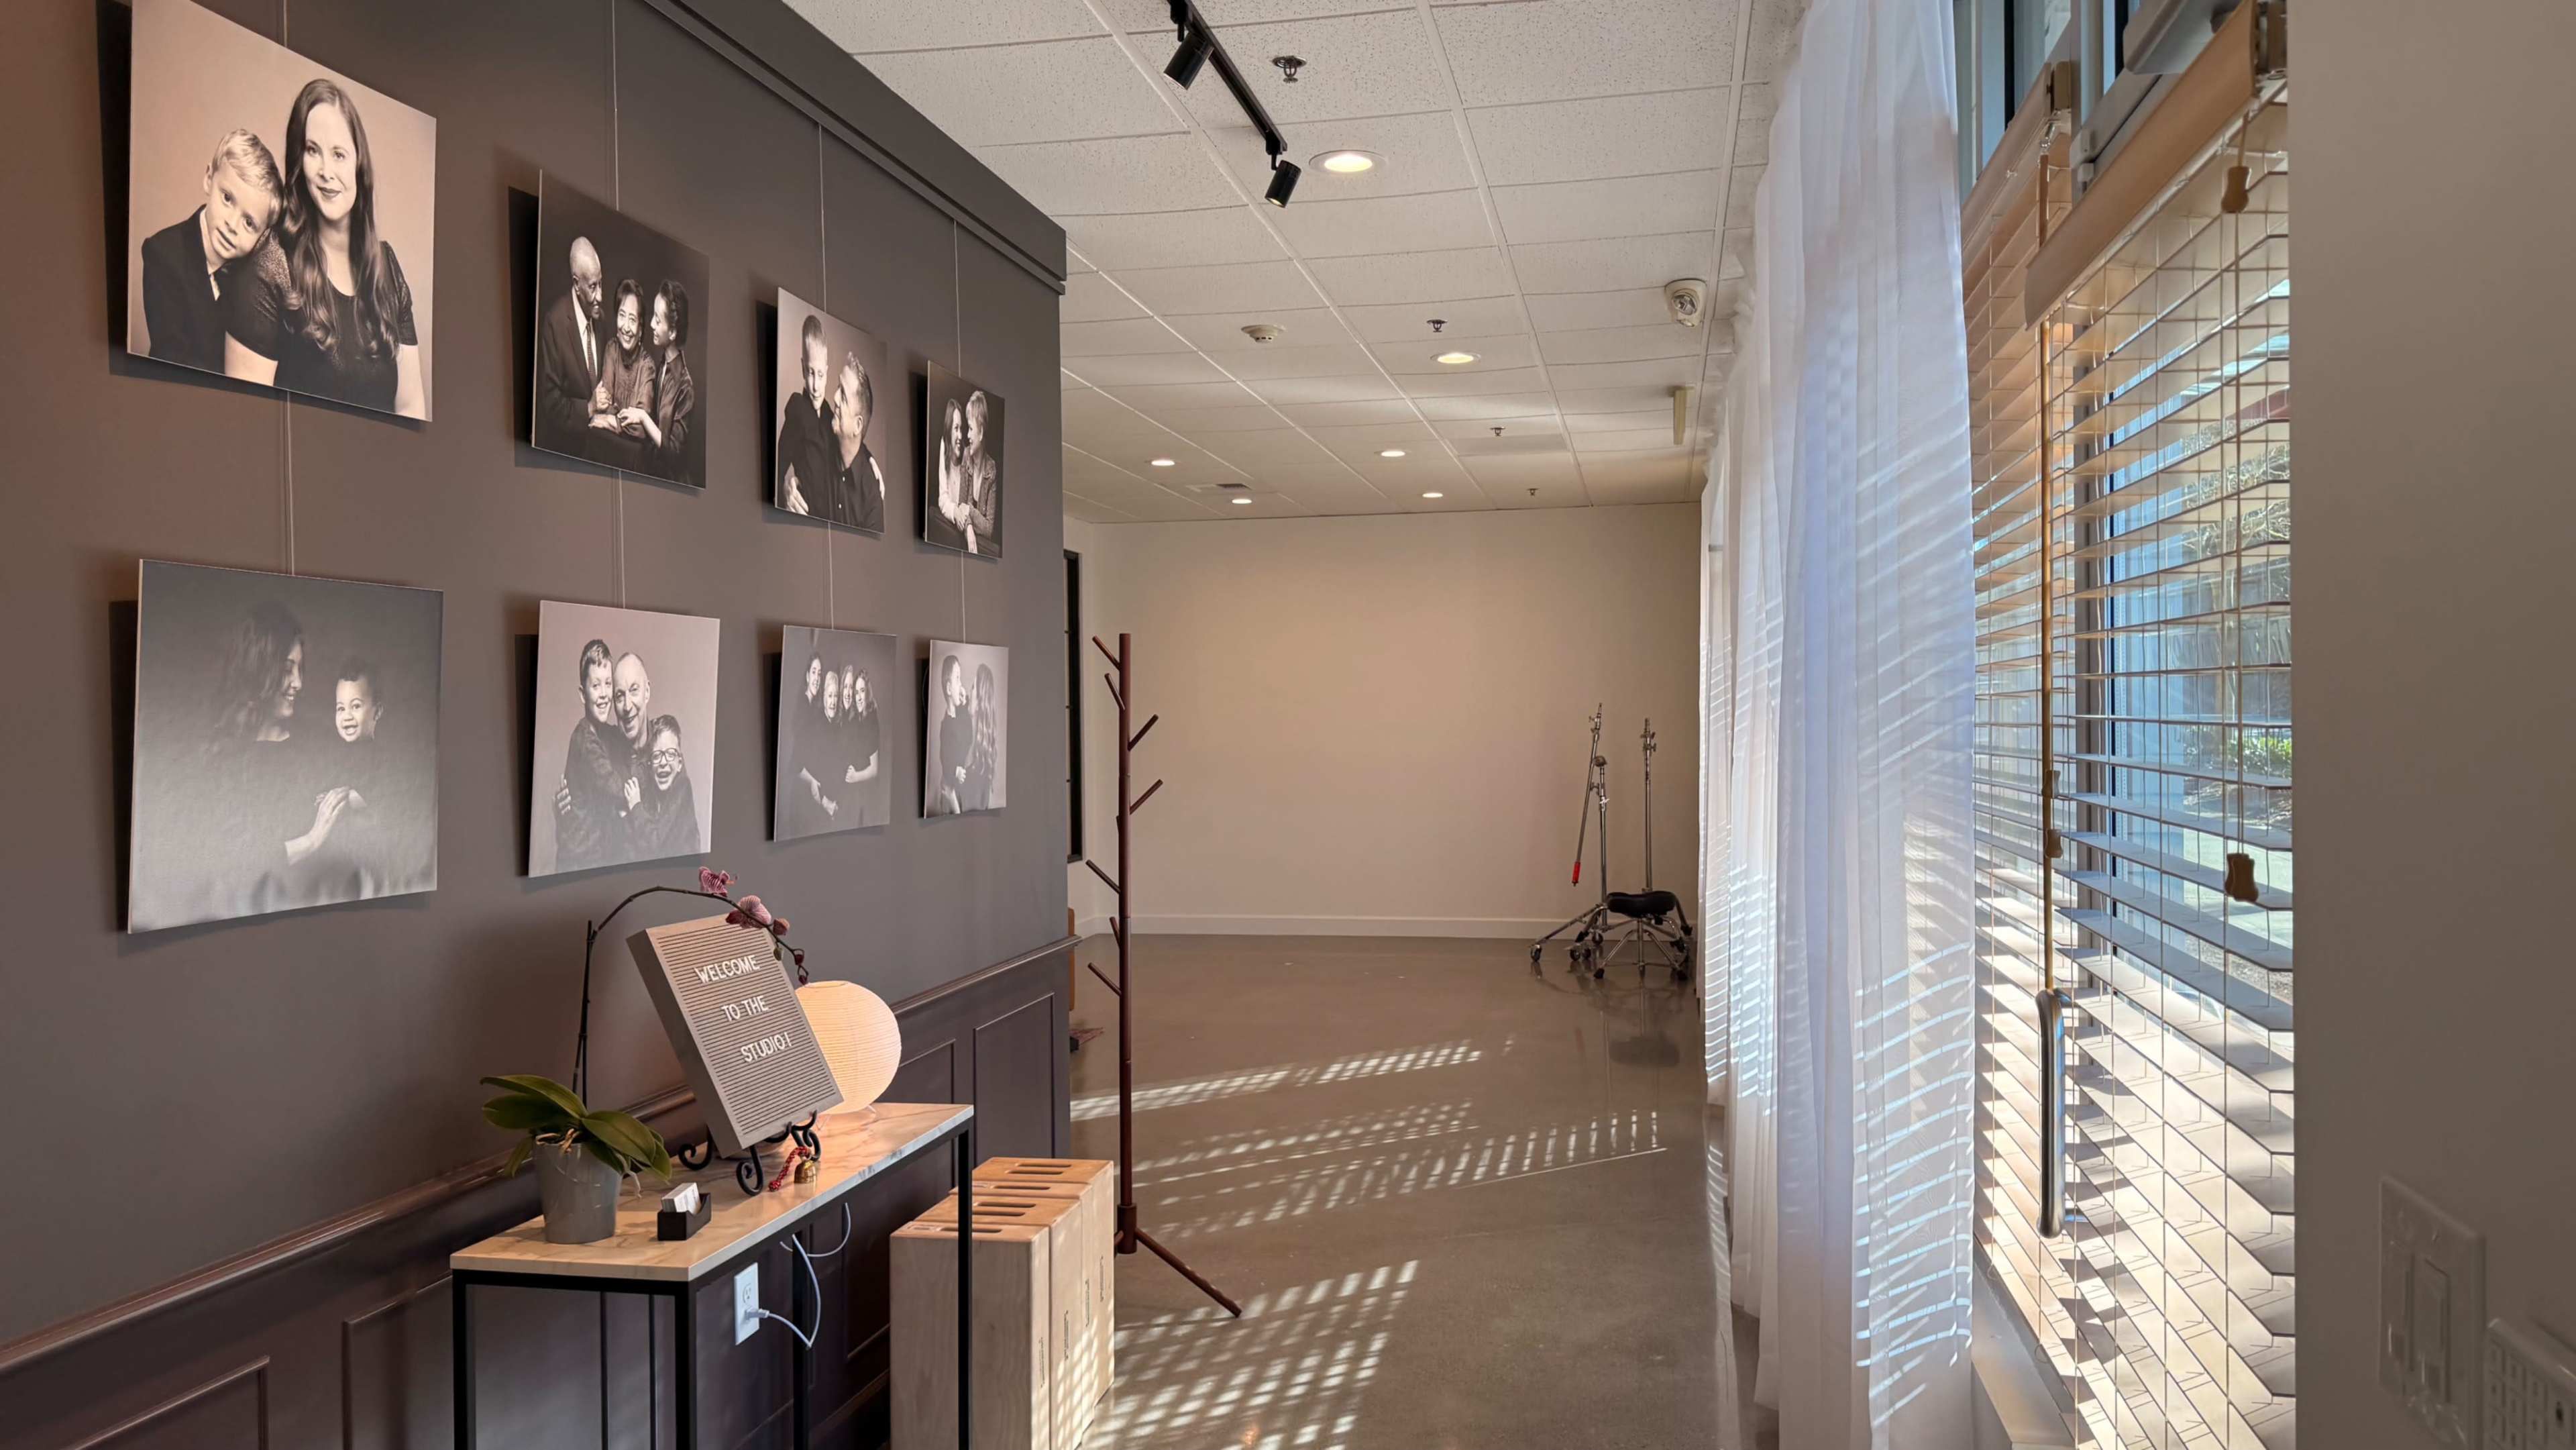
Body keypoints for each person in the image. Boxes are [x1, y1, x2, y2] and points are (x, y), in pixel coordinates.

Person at [224, 79, 422, 416]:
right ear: (299, 160)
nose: (326, 172)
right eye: (313, 151)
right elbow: (245, 421)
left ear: (359, 165)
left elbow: (411, 407)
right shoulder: (270, 263)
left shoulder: (387, 266)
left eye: (339, 155)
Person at [140, 130, 284, 372]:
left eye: (249, 223)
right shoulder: (163, 255)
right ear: (209, 178)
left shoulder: (255, 274)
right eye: (227, 198)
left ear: (264, 234)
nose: (232, 224)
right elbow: (173, 358)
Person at [553, 638, 633, 872]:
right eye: (595, 685)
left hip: (600, 858)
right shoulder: (584, 739)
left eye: (608, 684)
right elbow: (615, 788)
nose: (603, 694)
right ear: (582, 694)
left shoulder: (610, 735)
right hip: (578, 863)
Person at [619, 280, 694, 484]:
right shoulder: (661, 367)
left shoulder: (685, 386)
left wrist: (642, 417)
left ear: (673, 332)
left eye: (658, 320)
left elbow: (673, 453)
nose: (651, 324)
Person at [537, 236, 604, 443]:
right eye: (593, 287)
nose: (600, 296)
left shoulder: (600, 318)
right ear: (576, 284)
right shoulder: (554, 324)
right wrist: (589, 408)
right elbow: (551, 404)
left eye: (601, 283)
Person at [776, 315, 837, 519]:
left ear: (827, 373)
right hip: (807, 519)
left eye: (820, 375)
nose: (816, 386)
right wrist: (785, 484)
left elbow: (853, 446)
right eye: (810, 373)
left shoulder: (831, 413)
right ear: (803, 368)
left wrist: (871, 461)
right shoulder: (797, 408)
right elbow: (779, 464)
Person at [589, 280, 655, 466]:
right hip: (608, 445)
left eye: (633, 320)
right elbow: (604, 404)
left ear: (641, 329)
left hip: (634, 457)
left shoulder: (647, 367)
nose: (626, 327)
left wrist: (610, 421)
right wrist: (615, 416)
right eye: (622, 315)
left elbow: (642, 427)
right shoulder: (612, 349)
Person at [629, 715, 700, 859]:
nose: (663, 762)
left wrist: (636, 807)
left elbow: (656, 844)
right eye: (656, 756)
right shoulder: (653, 793)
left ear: (680, 763)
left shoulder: (682, 788)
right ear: (650, 765)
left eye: (670, 754)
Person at [829, 352, 885, 532]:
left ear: (858, 425)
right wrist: (786, 485)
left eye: (843, 396)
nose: (835, 397)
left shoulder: (872, 500)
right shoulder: (821, 430)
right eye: (838, 387)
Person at [961, 390, 1000, 556]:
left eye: (971, 429)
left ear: (982, 432)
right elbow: (959, 506)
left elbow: (989, 529)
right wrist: (969, 528)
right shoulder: (965, 456)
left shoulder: (991, 469)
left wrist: (969, 510)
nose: (967, 435)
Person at [929, 398, 969, 550]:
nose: (960, 435)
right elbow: (943, 498)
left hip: (966, 527)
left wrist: (966, 522)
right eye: (956, 428)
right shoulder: (944, 446)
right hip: (952, 526)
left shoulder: (967, 456)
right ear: (949, 430)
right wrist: (955, 512)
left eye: (962, 429)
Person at [844, 666, 882, 823]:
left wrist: (855, 777)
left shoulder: (871, 721)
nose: (859, 697)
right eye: (857, 692)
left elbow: (875, 769)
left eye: (862, 691)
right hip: (854, 794)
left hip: (866, 795)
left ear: (868, 693)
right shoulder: (858, 718)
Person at [934, 654, 969, 815]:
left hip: (958, 788)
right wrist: (956, 771)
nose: (961, 685)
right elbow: (944, 757)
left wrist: (964, 703)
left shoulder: (959, 717)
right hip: (949, 792)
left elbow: (968, 732)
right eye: (958, 679)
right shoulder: (946, 726)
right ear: (949, 689)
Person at [964, 661, 1000, 811]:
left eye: (973, 688)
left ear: (979, 702)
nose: (967, 693)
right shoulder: (982, 757)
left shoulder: (975, 767)